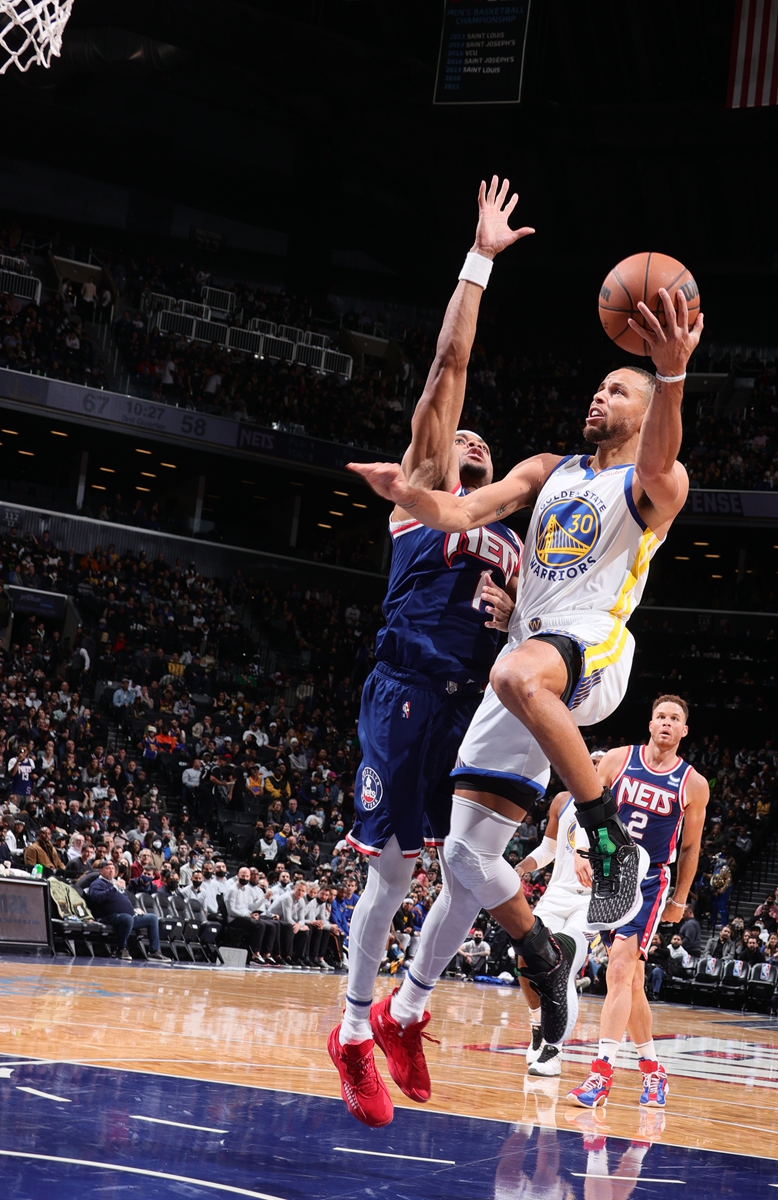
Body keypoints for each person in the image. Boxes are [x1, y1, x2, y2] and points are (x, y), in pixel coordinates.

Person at [350, 217, 705, 947]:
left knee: (515, 672)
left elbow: (664, 459)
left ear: (645, 414)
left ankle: (609, 843)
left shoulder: (653, 487)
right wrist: (408, 495)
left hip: (591, 643)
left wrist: (669, 375)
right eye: (599, 387)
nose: (598, 397)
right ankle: (539, 979)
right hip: (528, 659)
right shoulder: (549, 470)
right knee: (465, 855)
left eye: (616, 390)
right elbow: (462, 508)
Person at [327, 178, 526, 1129]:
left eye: (488, 443)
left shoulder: (520, 548)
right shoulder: (421, 490)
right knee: (391, 875)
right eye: (463, 436)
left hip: (471, 708)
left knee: (467, 872)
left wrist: (518, 611)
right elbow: (450, 364)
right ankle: (354, 1031)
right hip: (406, 689)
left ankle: (409, 1012)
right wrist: (478, 260)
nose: (472, 439)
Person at [567, 695, 709, 1110]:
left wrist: (680, 899)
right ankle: (653, 1070)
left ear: (684, 731)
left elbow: (690, 847)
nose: (666, 723)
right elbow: (585, 809)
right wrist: (580, 851)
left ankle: (601, 1075)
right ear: (650, 723)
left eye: (675, 719)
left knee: (619, 970)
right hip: (612, 874)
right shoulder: (616, 759)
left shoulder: (693, 783)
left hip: (650, 880)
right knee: (629, 983)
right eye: (661, 716)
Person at [514, 754, 601, 1077]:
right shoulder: (562, 801)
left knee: (559, 963)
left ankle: (554, 1049)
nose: (591, 767)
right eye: (588, 761)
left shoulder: (613, 806)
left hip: (590, 900)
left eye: (598, 765)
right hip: (556, 894)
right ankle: (538, 1026)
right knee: (525, 956)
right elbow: (549, 849)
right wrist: (522, 867)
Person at [86, 859, 169, 962]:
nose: (111, 871)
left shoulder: (116, 883)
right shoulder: (97, 883)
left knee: (152, 918)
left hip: (126, 917)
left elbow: (123, 900)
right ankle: (121, 949)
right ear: (100, 871)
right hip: (107, 917)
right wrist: (115, 888)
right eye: (107, 868)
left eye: (112, 868)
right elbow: (97, 898)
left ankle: (154, 951)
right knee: (127, 918)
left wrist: (133, 910)